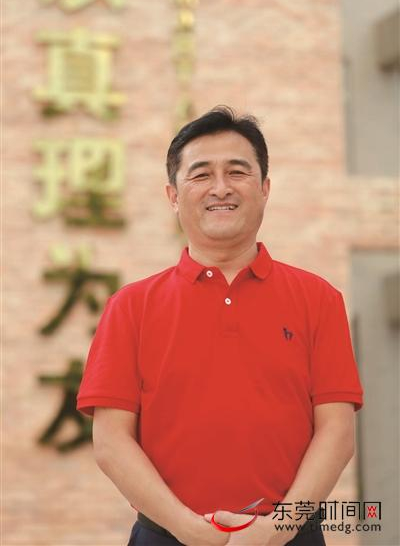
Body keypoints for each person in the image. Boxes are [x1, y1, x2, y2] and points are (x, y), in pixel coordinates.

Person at [76, 106, 364, 546]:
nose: (221, 188)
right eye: (201, 175)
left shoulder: (319, 299)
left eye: (237, 172)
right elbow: (111, 442)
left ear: (264, 188)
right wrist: (187, 528)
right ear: (173, 195)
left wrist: (277, 529)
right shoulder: (130, 307)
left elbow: (337, 434)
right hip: (166, 535)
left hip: (290, 535)